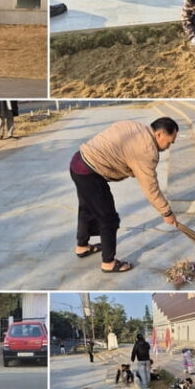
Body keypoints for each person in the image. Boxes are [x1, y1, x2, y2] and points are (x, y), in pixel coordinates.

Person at [69, 117, 179, 273]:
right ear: (160, 134)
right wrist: (166, 212)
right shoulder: (147, 150)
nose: (169, 147)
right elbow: (150, 187)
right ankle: (108, 263)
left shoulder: (134, 125)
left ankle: (82, 247)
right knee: (108, 218)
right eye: (169, 141)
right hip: (90, 172)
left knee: (87, 208)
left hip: (78, 162)